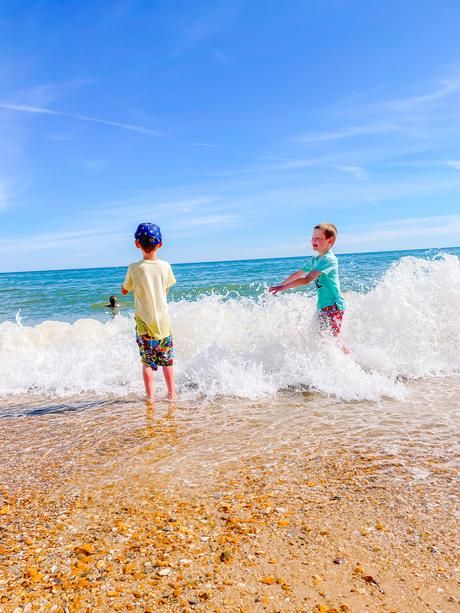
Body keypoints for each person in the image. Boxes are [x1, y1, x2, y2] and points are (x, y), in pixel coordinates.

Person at [121, 223, 177, 400]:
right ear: (160, 244)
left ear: (137, 244)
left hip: (144, 325)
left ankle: (150, 396)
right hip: (164, 324)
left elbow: (125, 289)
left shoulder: (134, 268)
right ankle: (171, 393)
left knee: (147, 362)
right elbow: (166, 289)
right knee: (167, 361)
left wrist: (125, 289)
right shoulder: (166, 266)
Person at [269, 223, 347, 345]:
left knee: (334, 339)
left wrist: (283, 287)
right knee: (323, 338)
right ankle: (335, 362)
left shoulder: (328, 259)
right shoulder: (316, 260)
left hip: (333, 305)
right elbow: (299, 273)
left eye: (318, 238)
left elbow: (307, 279)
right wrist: (281, 286)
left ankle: (349, 361)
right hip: (323, 305)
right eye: (312, 237)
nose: (313, 241)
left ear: (330, 240)